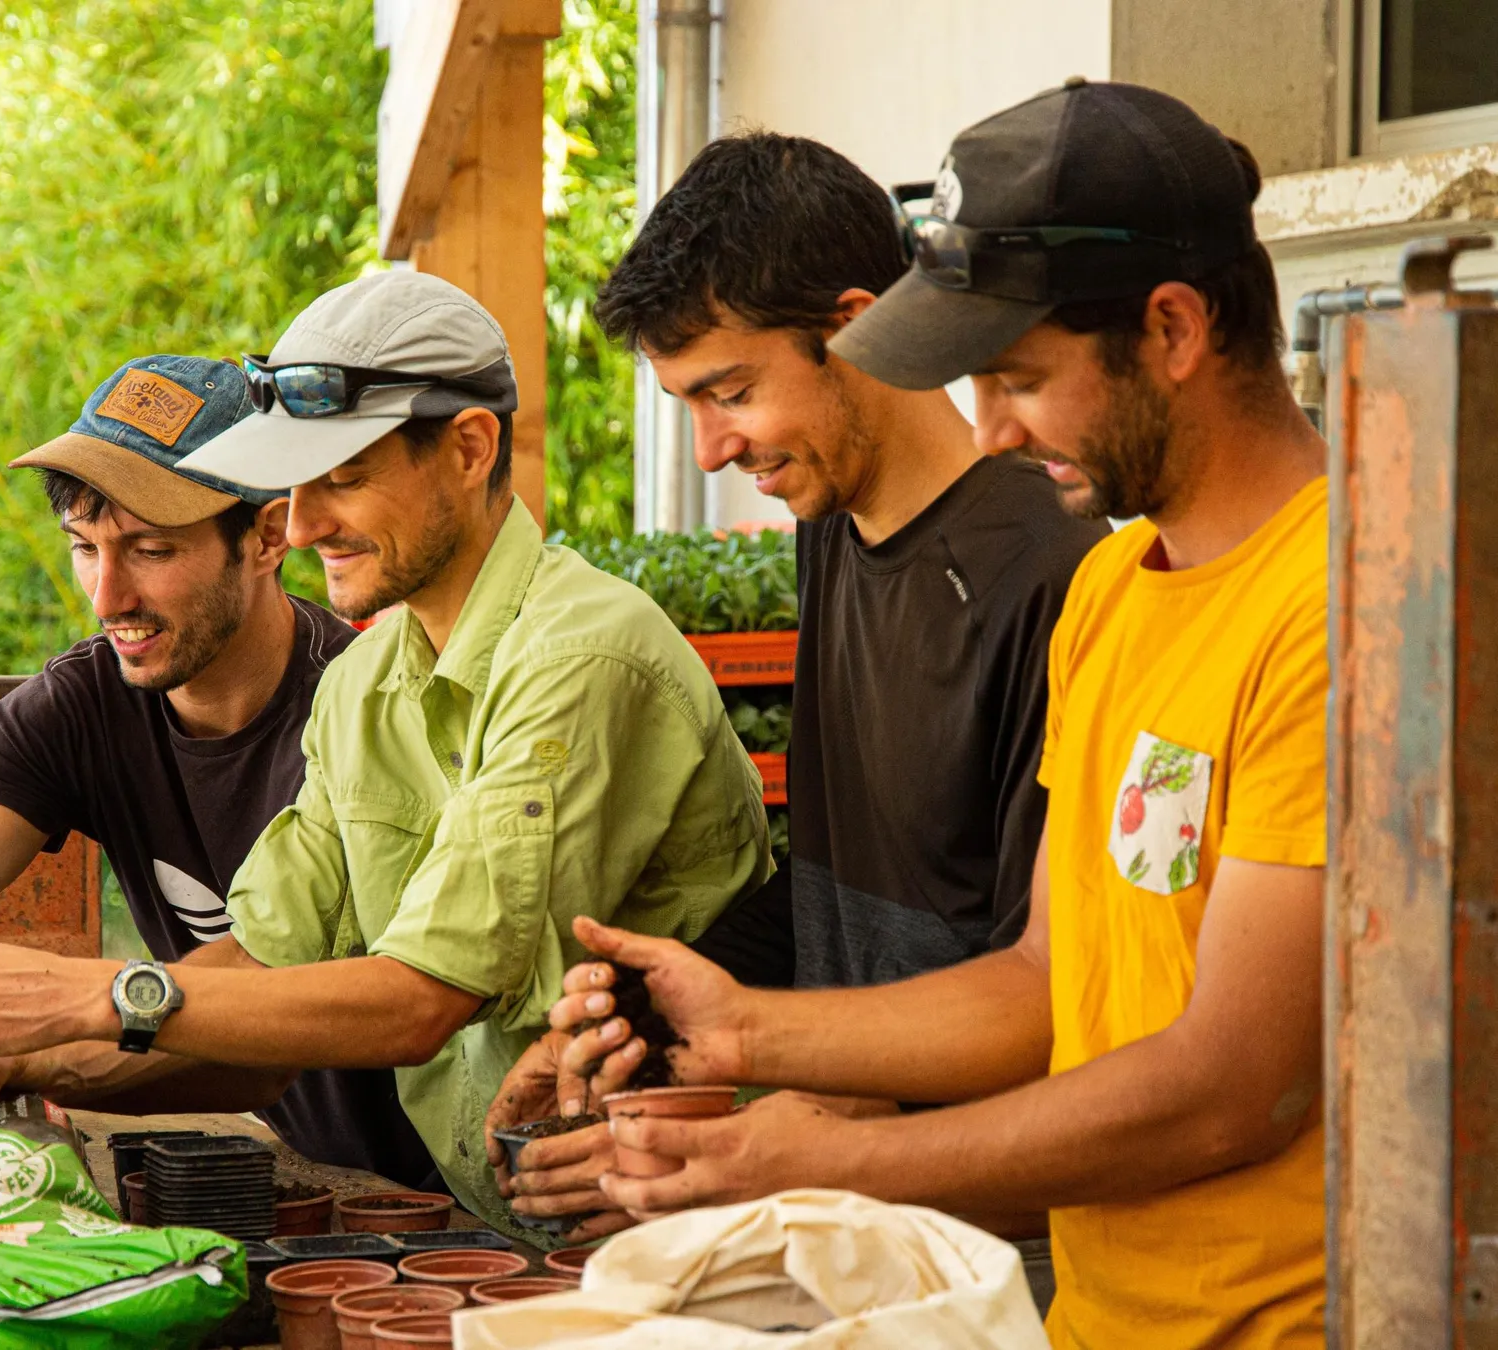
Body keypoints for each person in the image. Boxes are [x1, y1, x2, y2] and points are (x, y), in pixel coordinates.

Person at [549, 80, 1330, 1348]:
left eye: (1017, 376)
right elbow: (1040, 979)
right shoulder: (1122, 597)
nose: (993, 426)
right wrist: (734, 1025)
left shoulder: (1339, 606)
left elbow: (1233, 1091)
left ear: (1175, 328)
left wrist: (835, 1158)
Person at [0, 271, 771, 1241]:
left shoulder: (581, 655)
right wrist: (16, 1053)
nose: (305, 522)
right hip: (517, 1227)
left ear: (468, 448)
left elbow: (420, 1001)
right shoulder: (365, 682)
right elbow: (254, 968)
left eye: (346, 477)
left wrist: (80, 993)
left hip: (689, 1217)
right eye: (295, 483)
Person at [487, 131, 1105, 1239]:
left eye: (729, 391)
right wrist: (643, 1018)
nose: (713, 449)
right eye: (687, 402)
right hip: (848, 1210)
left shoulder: (1052, 577)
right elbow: (847, 903)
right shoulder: (834, 527)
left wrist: (781, 1098)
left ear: (856, 327)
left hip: (993, 1243)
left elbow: (1046, 996)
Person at [0, 355, 442, 1182]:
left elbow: (276, 1032)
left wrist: (40, 1027)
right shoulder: (77, 707)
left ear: (267, 537)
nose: (106, 596)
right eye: (86, 548)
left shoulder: (371, 709)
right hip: (303, 1171)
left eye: (152, 550)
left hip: (453, 1186)